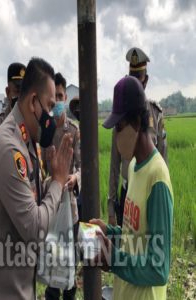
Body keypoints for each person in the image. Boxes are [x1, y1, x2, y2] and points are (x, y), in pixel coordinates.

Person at [0, 57, 74, 300]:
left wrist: (51, 181)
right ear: (33, 102)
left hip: (21, 285)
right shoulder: (9, 148)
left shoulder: (27, 140)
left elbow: (30, 196)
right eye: (50, 105)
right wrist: (57, 181)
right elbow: (35, 228)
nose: (53, 115)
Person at [91, 76, 173, 300]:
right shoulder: (134, 167)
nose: (116, 135)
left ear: (137, 122)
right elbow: (134, 236)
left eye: (119, 126)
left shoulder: (157, 178)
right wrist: (110, 232)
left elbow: (159, 269)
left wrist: (114, 259)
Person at [106, 47, 167, 226]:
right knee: (130, 242)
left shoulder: (156, 115)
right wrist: (111, 207)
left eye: (138, 78)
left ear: (145, 80)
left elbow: (163, 159)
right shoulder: (121, 115)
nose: (135, 83)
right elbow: (114, 164)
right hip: (129, 190)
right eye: (131, 77)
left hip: (150, 192)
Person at [43, 73, 81, 300]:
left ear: (65, 97)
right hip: (50, 208)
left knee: (69, 268)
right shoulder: (45, 131)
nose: (57, 101)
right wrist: (52, 181)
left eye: (60, 96)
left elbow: (81, 167)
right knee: (51, 271)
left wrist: (75, 179)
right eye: (53, 97)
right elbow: (40, 170)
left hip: (71, 210)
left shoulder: (74, 131)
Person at [0, 62, 26, 157]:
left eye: (24, 93)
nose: (20, 97)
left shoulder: (31, 123)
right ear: (8, 92)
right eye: (17, 91)